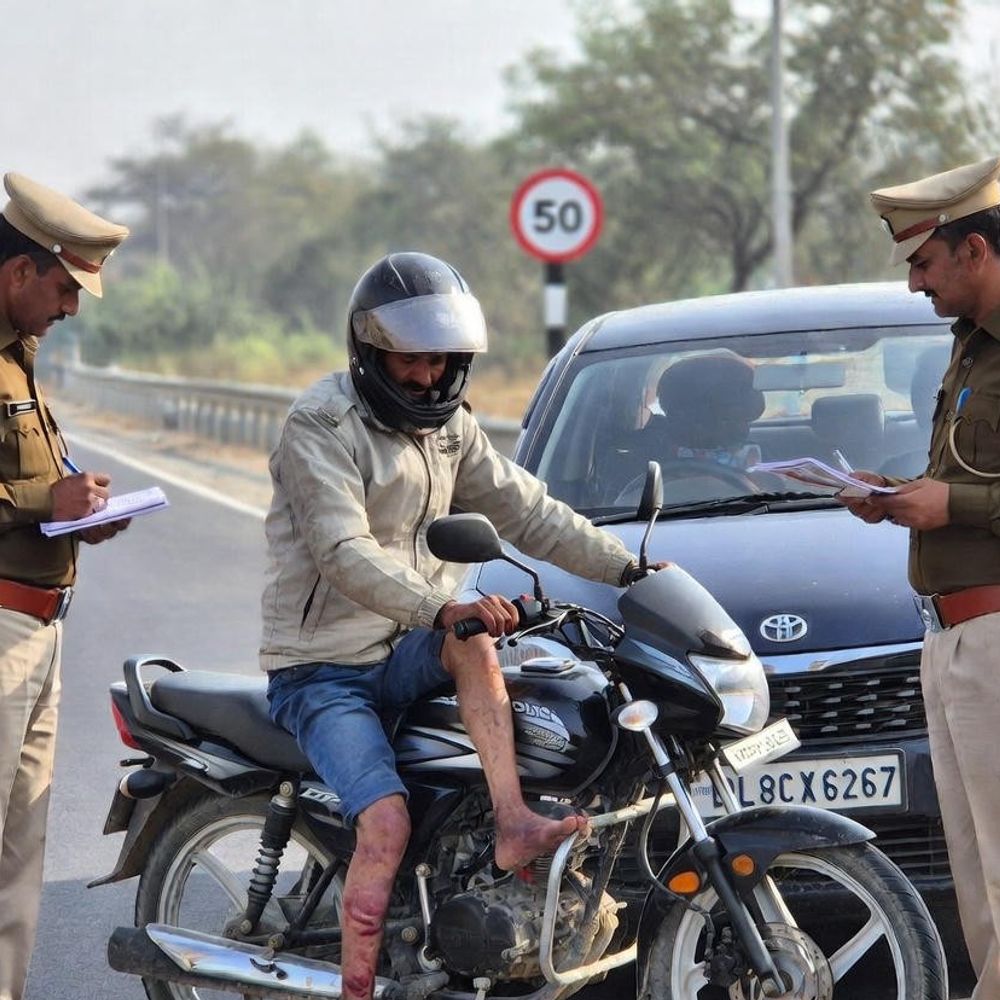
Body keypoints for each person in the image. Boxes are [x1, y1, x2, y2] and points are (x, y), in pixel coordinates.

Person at [260, 251, 655, 1000]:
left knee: (487, 646)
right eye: (409, 360)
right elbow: (342, 551)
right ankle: (355, 987)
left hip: (402, 645)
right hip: (323, 668)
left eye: (439, 359)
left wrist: (629, 569)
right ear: (371, 353)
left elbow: (528, 509)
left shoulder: (449, 428)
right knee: (384, 824)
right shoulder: (321, 425)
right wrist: (440, 607)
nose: (426, 376)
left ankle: (511, 822)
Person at [842, 154, 1000, 999]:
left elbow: (972, 498)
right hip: (954, 643)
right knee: (978, 890)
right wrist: (900, 497)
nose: (913, 284)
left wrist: (956, 508)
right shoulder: (969, 347)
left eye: (923, 262)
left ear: (974, 250)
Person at [0, 172, 129, 1000]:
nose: (73, 307)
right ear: (20, 272)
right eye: (64, 286)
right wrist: (47, 501)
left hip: (42, 635)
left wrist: (77, 512)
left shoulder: (21, 361)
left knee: (19, 860)